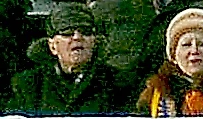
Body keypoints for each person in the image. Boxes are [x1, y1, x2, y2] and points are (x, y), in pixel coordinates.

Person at [8, 1, 136, 112]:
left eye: (85, 32)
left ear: (95, 42)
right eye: (67, 32)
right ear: (53, 46)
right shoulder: (28, 85)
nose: (77, 37)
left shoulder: (118, 83)